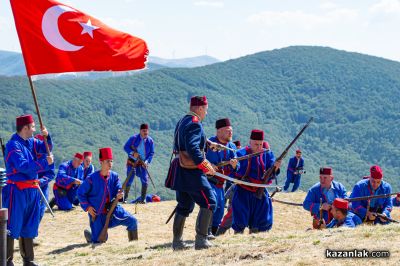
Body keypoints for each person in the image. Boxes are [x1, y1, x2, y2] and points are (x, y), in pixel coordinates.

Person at [165, 95, 217, 250]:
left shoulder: (183, 120)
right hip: (192, 171)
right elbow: (193, 148)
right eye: (205, 110)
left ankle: (177, 242)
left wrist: (208, 143)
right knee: (209, 201)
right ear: (200, 108)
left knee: (184, 205)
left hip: (180, 169)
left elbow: (186, 141)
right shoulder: (195, 123)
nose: (206, 113)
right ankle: (201, 240)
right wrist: (205, 165)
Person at [3, 114, 54, 266]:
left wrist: (47, 136)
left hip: (32, 190)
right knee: (13, 225)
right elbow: (23, 167)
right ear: (25, 128)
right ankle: (6, 260)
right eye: (32, 127)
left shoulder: (31, 141)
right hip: (17, 190)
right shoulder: (13, 145)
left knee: (29, 225)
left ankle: (28, 260)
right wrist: (45, 162)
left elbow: (46, 148)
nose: (34, 130)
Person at [77, 147, 138, 243]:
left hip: (114, 210)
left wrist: (120, 194)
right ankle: (91, 236)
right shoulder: (91, 178)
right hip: (98, 214)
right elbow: (80, 193)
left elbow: (119, 188)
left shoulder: (114, 176)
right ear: (101, 162)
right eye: (107, 161)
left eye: (111, 161)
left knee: (133, 222)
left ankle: (134, 245)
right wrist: (88, 207)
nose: (110, 164)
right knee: (99, 241)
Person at [231, 129, 281, 234]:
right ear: (250, 142)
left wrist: (276, 167)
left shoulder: (268, 154)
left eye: (260, 144)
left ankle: (256, 242)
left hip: (260, 191)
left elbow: (272, 171)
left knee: (262, 219)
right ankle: (237, 242)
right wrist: (235, 166)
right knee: (240, 218)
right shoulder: (241, 153)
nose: (258, 147)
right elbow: (236, 170)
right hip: (243, 191)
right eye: (256, 144)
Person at [206, 118, 238, 236]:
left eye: (231, 131)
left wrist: (234, 166)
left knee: (220, 210)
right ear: (218, 132)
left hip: (220, 184)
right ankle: (205, 232)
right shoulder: (209, 143)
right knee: (211, 203)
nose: (230, 133)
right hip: (208, 181)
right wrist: (208, 164)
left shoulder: (232, 147)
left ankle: (213, 235)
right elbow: (199, 158)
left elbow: (236, 168)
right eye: (227, 131)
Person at [123, 123, 155, 203]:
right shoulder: (133, 138)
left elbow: (151, 153)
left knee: (145, 179)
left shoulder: (150, 141)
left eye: (147, 131)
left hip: (143, 163)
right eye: (144, 131)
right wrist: (133, 153)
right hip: (132, 161)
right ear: (140, 131)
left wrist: (147, 162)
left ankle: (143, 199)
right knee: (129, 179)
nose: (146, 133)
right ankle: (125, 199)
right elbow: (125, 147)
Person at [33, 134, 55, 223]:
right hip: (29, 187)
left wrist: (41, 181)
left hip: (42, 186)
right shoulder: (30, 155)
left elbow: (51, 174)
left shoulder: (49, 156)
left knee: (40, 210)